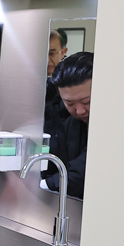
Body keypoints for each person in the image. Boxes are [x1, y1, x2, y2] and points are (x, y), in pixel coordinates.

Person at [44, 51, 91, 199]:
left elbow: (85, 169)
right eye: (70, 104)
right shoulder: (67, 122)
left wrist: (48, 185)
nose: (80, 111)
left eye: (87, 102)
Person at [44, 29, 70, 134]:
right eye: (42, 53)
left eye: (51, 53)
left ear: (63, 52)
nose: (47, 59)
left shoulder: (71, 83)